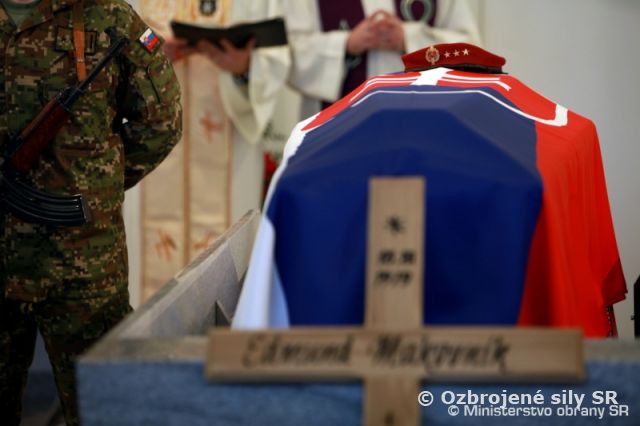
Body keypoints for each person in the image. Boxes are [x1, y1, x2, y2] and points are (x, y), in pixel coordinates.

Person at [0, 0, 182, 424]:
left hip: (84, 265)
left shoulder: (109, 17)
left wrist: (95, 188)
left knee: (102, 408)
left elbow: (161, 123)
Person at [284, 0, 481, 119]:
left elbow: (469, 49)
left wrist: (410, 39)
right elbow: (291, 52)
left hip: (422, 123)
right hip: (339, 127)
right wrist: (346, 44)